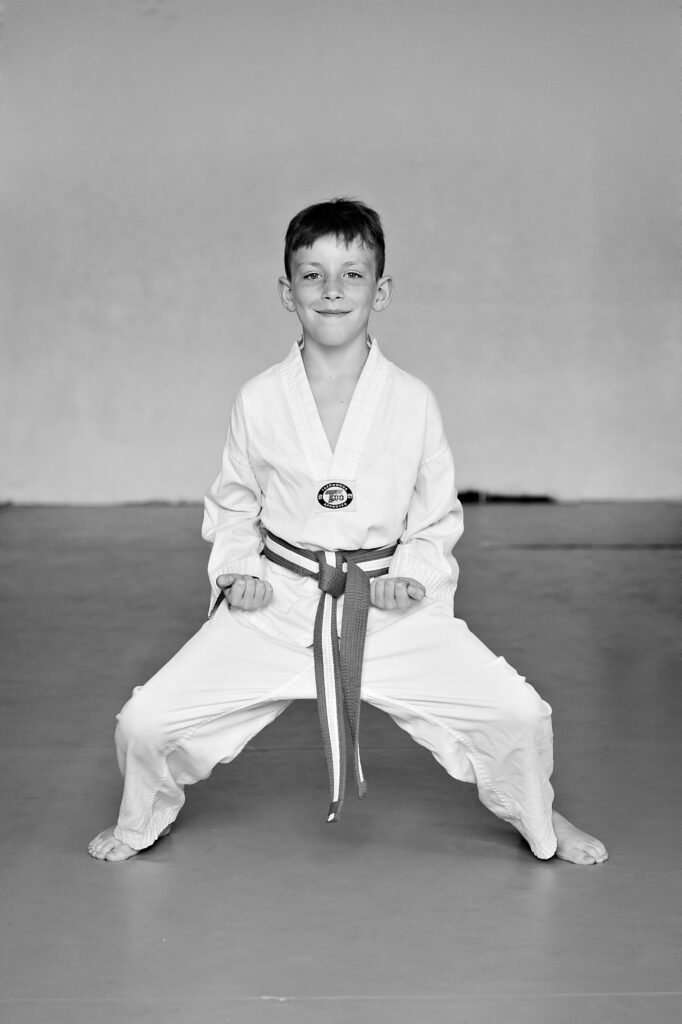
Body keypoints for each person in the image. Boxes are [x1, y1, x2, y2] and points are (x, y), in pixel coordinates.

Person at [89, 198, 608, 866]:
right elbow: (234, 504)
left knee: (520, 715)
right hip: (279, 603)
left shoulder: (412, 402)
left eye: (352, 274)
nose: (332, 291)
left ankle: (541, 815)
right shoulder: (259, 399)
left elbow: (436, 518)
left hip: (384, 604)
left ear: (381, 290)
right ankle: (144, 820)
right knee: (145, 722)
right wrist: (237, 571)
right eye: (312, 275)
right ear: (287, 291)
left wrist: (412, 578)